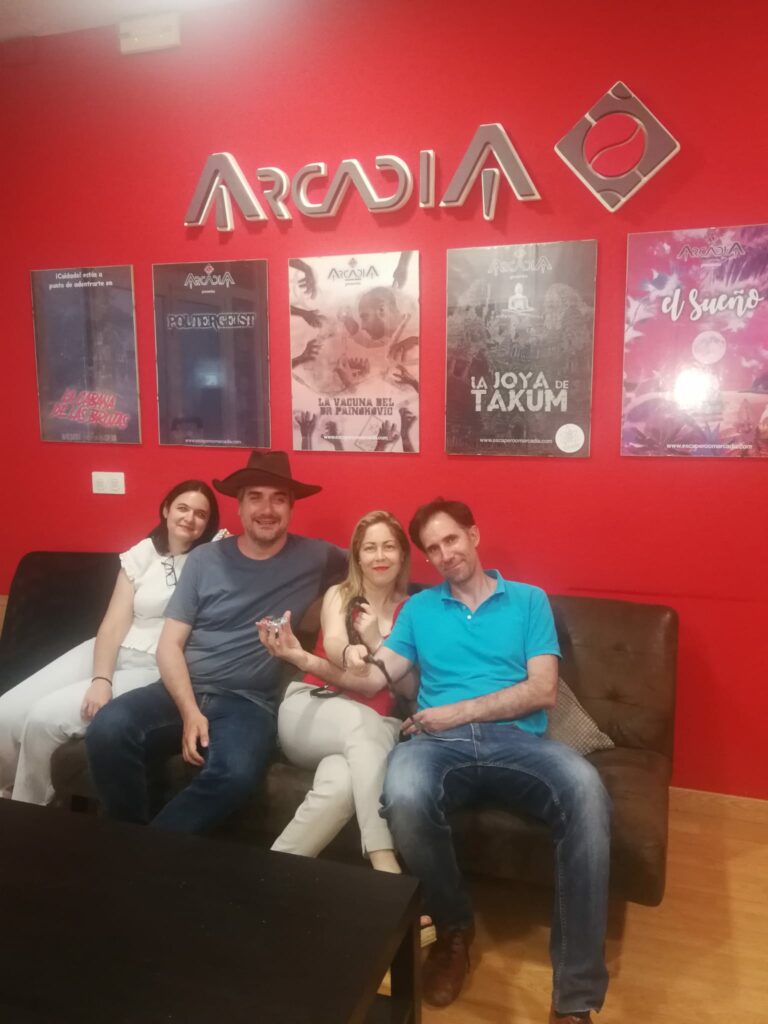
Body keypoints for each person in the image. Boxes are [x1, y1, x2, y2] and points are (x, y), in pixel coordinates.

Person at [257, 498, 610, 1023]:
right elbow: (370, 681)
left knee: (586, 791)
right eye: (434, 548)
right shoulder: (420, 611)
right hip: (437, 746)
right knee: (402, 791)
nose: (446, 554)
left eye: (452, 539)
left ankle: (576, 997)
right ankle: (453, 930)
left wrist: (456, 712)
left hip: (517, 742)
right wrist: (302, 658)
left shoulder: (529, 600)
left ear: (473, 536)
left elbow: (542, 690)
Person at [85, 451, 347, 834]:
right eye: (255, 497)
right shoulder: (205, 559)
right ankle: (131, 838)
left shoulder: (315, 556)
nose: (267, 509)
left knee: (235, 775)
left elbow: (376, 563)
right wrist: (190, 711)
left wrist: (345, 608)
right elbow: (169, 645)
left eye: (278, 499)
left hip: (248, 703)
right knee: (106, 730)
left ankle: (144, 854)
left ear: (291, 508)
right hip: (179, 691)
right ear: (239, 507)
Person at [0, 479, 220, 806]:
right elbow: (114, 623)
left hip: (156, 664)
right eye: (183, 508)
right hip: (111, 648)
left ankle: (26, 810)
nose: (190, 518)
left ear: (208, 523)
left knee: (44, 718)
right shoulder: (142, 554)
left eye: (200, 514)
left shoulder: (212, 557)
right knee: (7, 711)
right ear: (166, 510)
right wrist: (101, 679)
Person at [271, 510, 410, 872]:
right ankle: (384, 859)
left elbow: (412, 685)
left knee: (341, 787)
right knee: (362, 725)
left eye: (389, 547)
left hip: (373, 731)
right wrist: (349, 652)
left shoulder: (414, 611)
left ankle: (272, 876)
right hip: (312, 711)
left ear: (402, 554)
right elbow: (333, 641)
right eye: (370, 548)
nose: (379, 556)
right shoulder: (341, 594)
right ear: (357, 556)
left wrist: (377, 641)